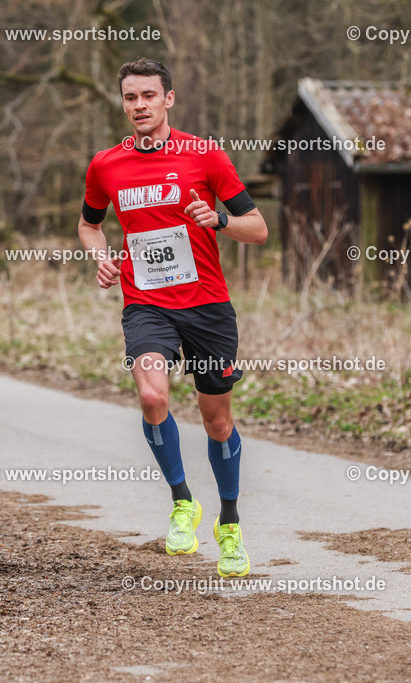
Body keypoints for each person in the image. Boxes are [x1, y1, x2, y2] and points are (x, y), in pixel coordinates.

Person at [77, 59, 268, 578]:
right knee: (152, 396)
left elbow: (258, 228)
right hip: (147, 304)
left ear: (169, 99)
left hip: (207, 306)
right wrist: (101, 257)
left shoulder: (205, 155)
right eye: (129, 97)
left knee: (217, 420)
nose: (138, 105)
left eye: (147, 95)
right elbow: (89, 224)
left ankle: (228, 522)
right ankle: (183, 501)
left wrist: (221, 219)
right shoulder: (105, 164)